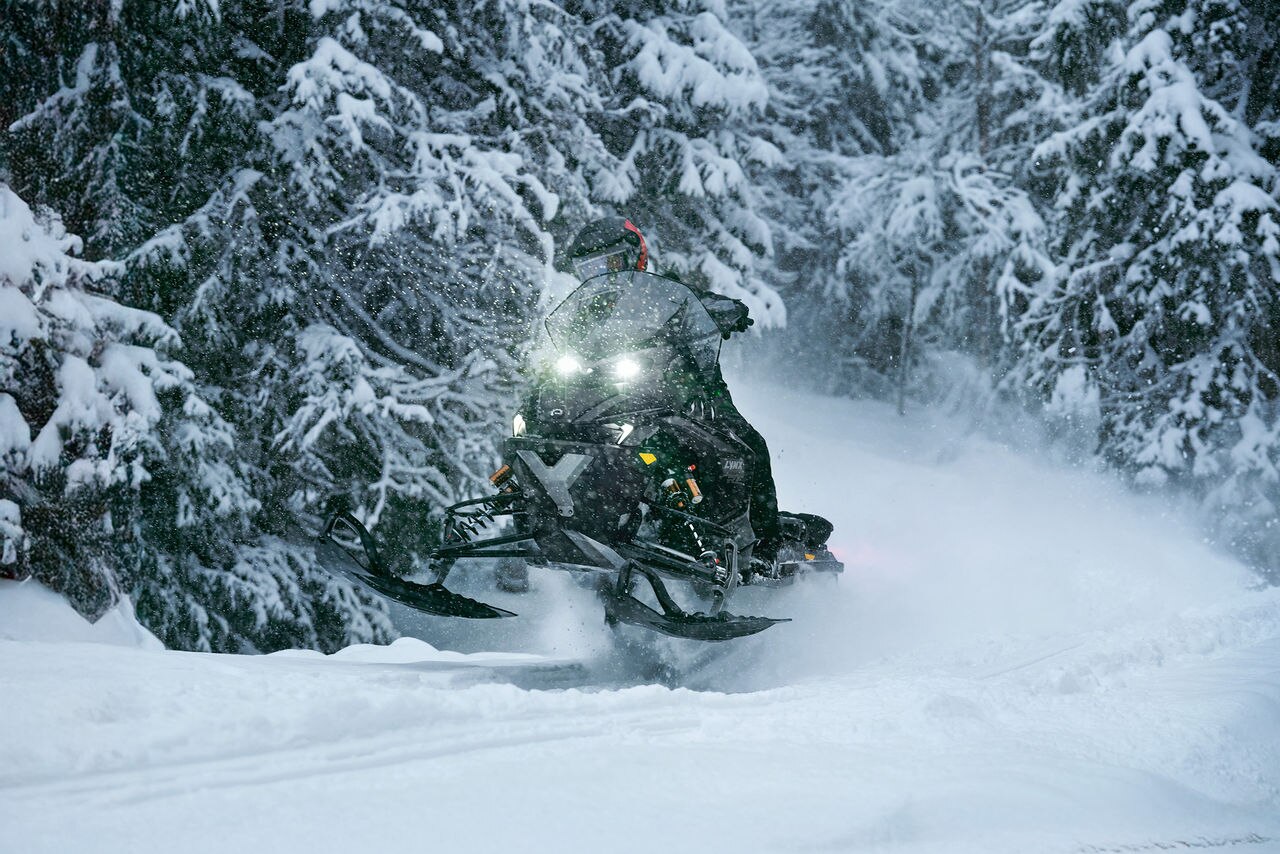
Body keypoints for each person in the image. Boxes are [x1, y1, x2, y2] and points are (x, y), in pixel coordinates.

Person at [565, 217, 783, 564]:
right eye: (589, 268)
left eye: (609, 263)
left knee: (749, 446)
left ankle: (765, 545)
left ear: (633, 257)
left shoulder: (664, 294)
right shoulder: (585, 311)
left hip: (683, 393)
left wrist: (724, 311)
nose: (602, 275)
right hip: (604, 400)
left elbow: (701, 305)